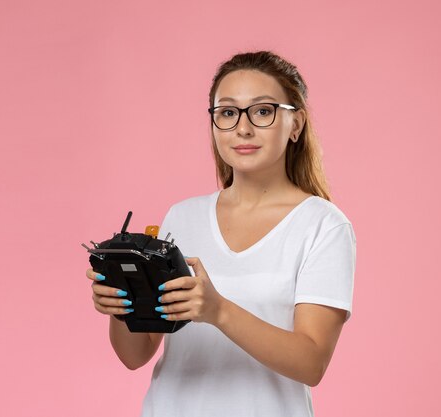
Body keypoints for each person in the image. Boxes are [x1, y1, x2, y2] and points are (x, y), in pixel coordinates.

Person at [86, 51, 356, 417]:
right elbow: (136, 356)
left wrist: (219, 311)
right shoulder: (181, 217)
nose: (242, 128)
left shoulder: (323, 226)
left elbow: (311, 362)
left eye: (262, 111)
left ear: (296, 124)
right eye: (227, 113)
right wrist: (120, 306)